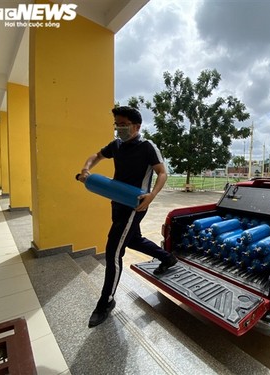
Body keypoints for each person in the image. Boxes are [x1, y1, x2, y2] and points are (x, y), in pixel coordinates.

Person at [78, 106, 177, 328]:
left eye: (123, 124)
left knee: (114, 250)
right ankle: (168, 258)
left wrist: (152, 195)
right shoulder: (117, 145)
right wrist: (86, 169)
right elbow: (97, 155)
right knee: (133, 239)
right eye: (117, 124)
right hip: (117, 201)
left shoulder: (147, 146)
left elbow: (162, 172)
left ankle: (106, 301)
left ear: (137, 126)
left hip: (136, 204)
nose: (120, 128)